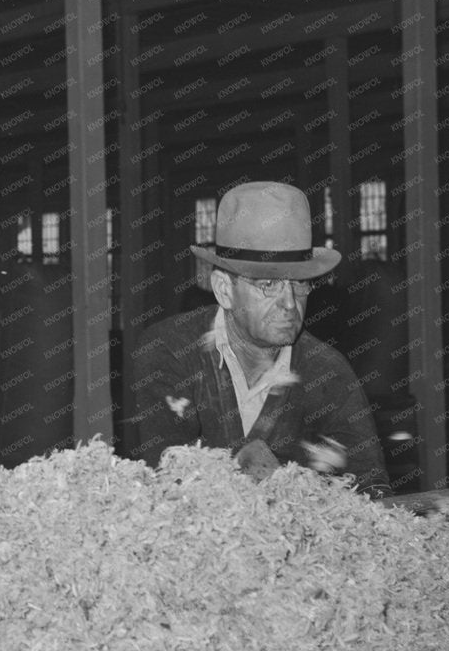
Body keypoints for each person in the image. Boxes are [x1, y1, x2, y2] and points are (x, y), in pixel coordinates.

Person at [130, 181, 390, 496]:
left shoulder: (329, 374)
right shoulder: (170, 352)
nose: (290, 303)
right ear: (224, 289)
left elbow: (371, 495)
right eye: (268, 284)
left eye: (299, 284)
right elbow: (165, 484)